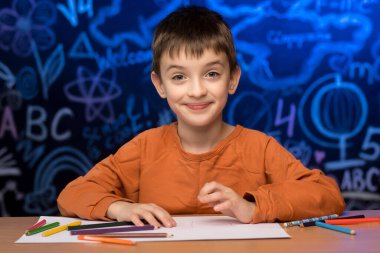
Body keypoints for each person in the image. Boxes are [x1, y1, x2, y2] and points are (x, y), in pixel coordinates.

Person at [57, 6, 345, 228]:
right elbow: (73, 194)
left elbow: (328, 196)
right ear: (160, 85)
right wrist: (120, 208)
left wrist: (252, 207)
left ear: (232, 79)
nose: (196, 91)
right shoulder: (144, 148)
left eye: (211, 74)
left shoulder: (260, 148)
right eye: (179, 76)